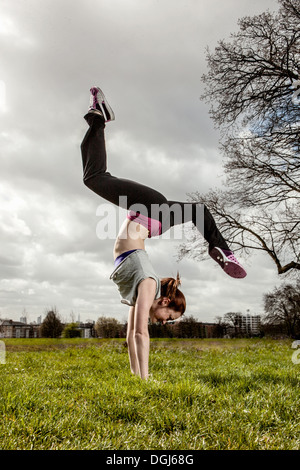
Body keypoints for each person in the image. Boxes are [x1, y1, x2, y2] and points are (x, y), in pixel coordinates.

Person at [80, 86, 247, 379]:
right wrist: (147, 382)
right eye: (170, 318)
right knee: (95, 178)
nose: (166, 322)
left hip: (154, 217)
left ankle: (98, 118)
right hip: (152, 210)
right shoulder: (148, 283)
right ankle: (221, 249)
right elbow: (142, 334)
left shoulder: (142, 286)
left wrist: (138, 379)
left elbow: (133, 334)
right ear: (166, 303)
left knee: (94, 176)